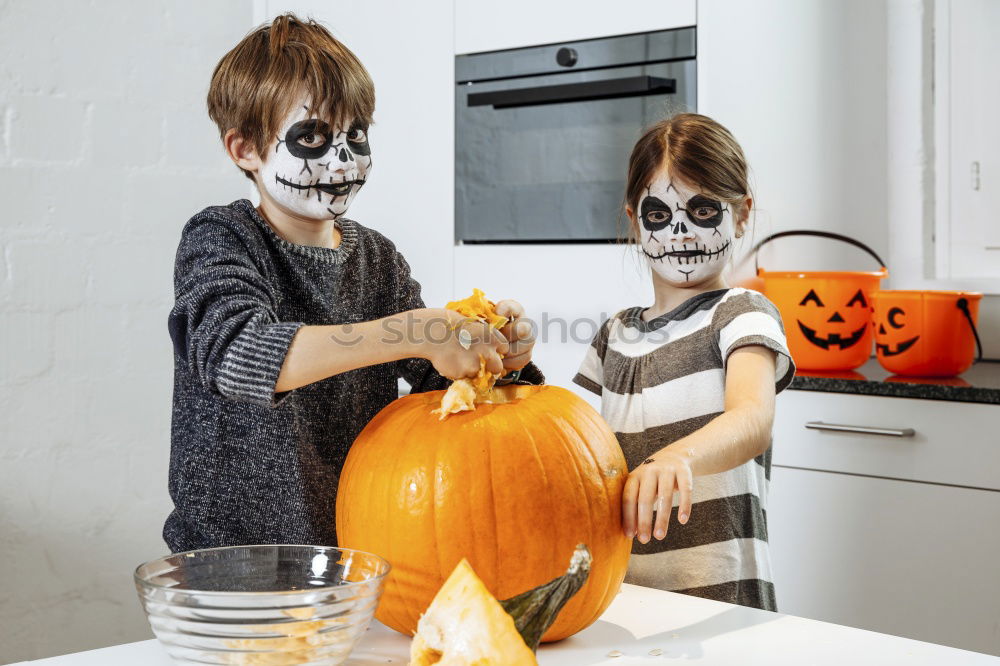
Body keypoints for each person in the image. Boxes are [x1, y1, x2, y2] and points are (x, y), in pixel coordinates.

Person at [164, 13, 541, 553]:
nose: (343, 160)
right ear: (244, 148)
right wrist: (416, 331)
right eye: (312, 136)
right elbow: (238, 354)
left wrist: (497, 357)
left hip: (354, 557)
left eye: (355, 134)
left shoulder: (378, 259)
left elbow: (441, 393)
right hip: (228, 569)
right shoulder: (221, 237)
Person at [573, 114, 795, 611]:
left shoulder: (740, 315)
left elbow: (752, 419)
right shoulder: (614, 335)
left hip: (721, 602)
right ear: (635, 220)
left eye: (702, 211)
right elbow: (571, 449)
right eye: (659, 215)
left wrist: (678, 456)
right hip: (625, 595)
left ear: (740, 215)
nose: (680, 232)